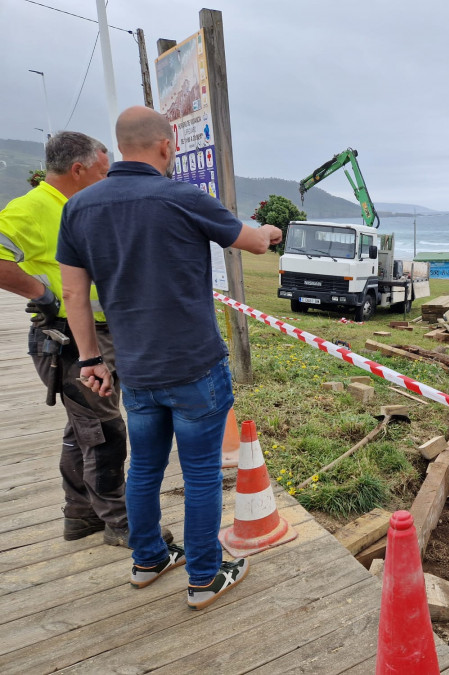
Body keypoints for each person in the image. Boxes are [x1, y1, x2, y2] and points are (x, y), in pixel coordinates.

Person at [57, 106, 283, 609]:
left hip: (133, 369)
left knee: (144, 470)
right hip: (194, 367)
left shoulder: (79, 208)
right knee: (201, 473)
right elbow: (252, 243)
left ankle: (149, 558)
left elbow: (74, 296)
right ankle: (204, 576)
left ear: (119, 148)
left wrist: (91, 360)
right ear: (165, 146)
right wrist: (269, 231)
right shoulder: (183, 197)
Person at [0, 131, 143, 546]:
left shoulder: (78, 206)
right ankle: (121, 524)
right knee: (104, 430)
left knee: (81, 426)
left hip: (95, 333)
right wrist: (38, 292)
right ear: (78, 170)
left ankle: (80, 516)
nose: (107, 178)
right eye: (102, 171)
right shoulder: (30, 209)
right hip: (69, 339)